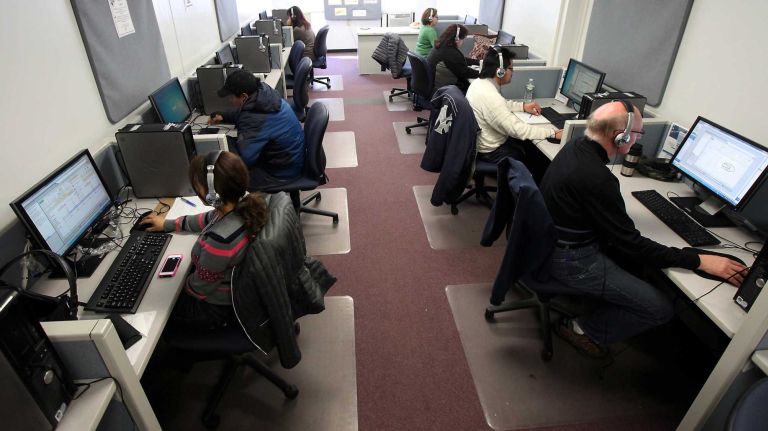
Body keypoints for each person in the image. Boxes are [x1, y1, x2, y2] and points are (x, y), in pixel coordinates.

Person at [540, 101, 747, 357]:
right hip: (572, 260)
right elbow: (632, 244)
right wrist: (697, 260)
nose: (638, 139)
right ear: (622, 136)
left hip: (552, 243)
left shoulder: (575, 148)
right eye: (638, 133)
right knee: (659, 308)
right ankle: (582, 328)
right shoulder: (598, 179)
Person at [140, 151, 269, 330]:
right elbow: (207, 218)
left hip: (217, 307)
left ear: (212, 194)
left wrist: (171, 288)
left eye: (197, 185)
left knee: (155, 309)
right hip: (237, 288)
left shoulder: (221, 240)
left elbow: (201, 288)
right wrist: (169, 224)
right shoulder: (244, 201)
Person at [466, 47, 561, 180]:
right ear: (500, 71)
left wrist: (522, 106)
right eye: (511, 69)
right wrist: (552, 133)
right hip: (491, 151)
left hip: (483, 142)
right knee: (537, 155)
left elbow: (501, 104)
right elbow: (515, 128)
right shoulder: (489, 95)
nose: (513, 72)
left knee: (529, 146)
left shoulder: (480, 84)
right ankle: (527, 194)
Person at [209, 69, 305, 189]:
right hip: (290, 159)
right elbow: (247, 114)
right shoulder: (265, 97)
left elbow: (243, 162)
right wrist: (224, 116)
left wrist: (224, 142)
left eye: (231, 97)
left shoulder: (255, 118)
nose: (229, 100)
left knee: (230, 178)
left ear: (244, 97)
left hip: (281, 173)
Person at [427, 24, 479, 93]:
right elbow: (465, 72)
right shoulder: (451, 52)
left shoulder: (441, 45)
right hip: (444, 91)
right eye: (463, 39)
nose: (463, 42)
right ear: (457, 39)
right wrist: (483, 73)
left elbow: (459, 60)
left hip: (436, 85)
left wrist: (478, 62)